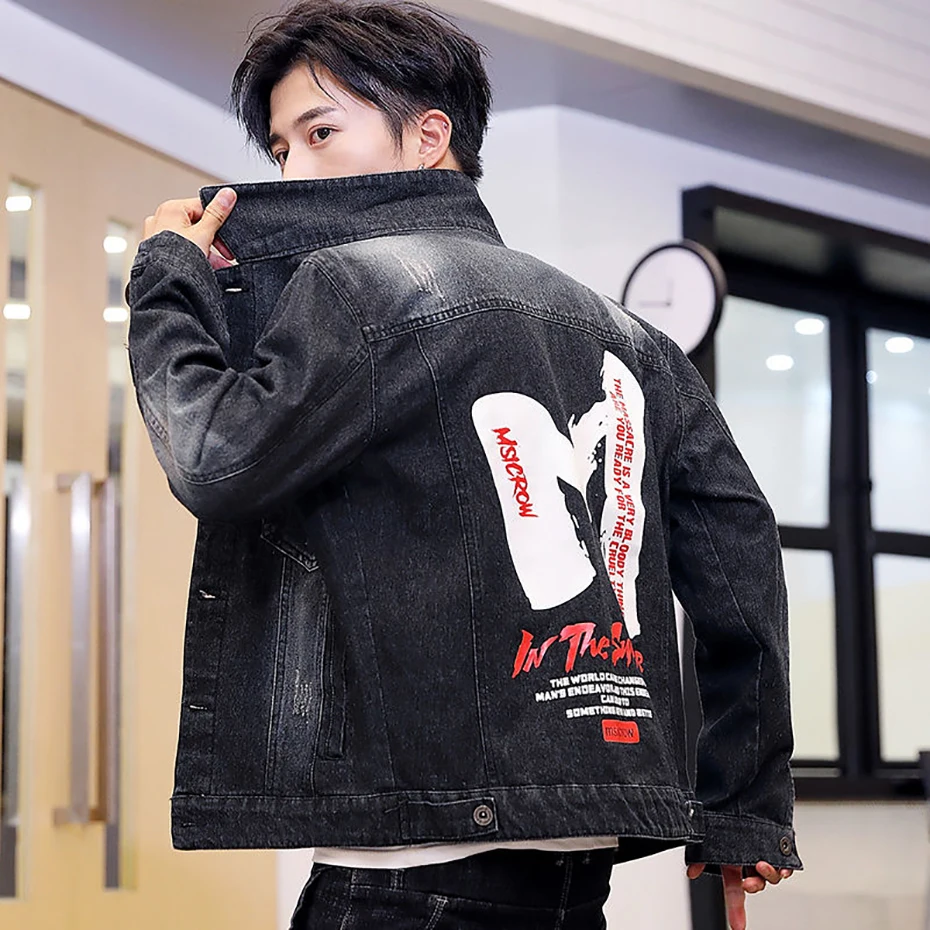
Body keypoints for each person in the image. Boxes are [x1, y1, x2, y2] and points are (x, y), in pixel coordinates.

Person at [126, 2, 801, 928]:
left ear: (429, 136)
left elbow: (213, 458)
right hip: (575, 875)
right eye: (280, 150)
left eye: (321, 133)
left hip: (406, 878)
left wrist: (166, 278)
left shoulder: (358, 286)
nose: (292, 172)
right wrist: (742, 809)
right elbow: (741, 555)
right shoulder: (632, 338)